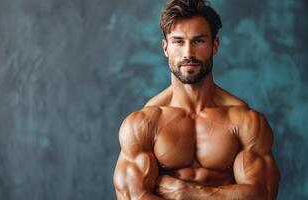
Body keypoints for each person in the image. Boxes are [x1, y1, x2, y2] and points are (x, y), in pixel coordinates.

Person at [113, 0, 280, 199]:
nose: (188, 53)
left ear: (214, 45)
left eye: (198, 41)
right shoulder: (143, 124)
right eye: (178, 42)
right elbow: (132, 197)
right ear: (165, 47)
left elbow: (262, 195)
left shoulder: (245, 121)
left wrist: (189, 192)